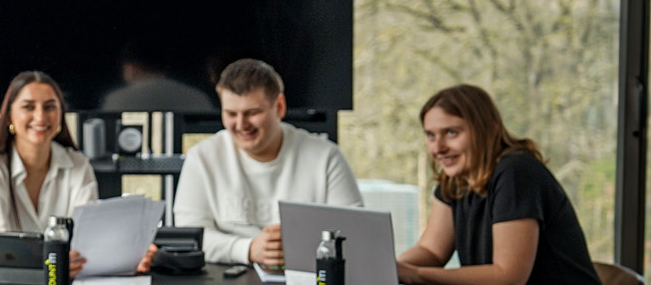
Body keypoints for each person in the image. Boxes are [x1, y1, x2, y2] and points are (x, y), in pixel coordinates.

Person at [396, 85, 600, 285]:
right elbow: (431, 251)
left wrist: (415, 274)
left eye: (451, 133)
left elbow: (508, 277)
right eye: (431, 135)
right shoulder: (455, 180)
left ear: (488, 131)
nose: (438, 148)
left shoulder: (516, 172)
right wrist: (390, 267)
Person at [173, 59, 363, 268]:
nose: (241, 124)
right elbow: (189, 236)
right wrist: (249, 249)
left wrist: (294, 248)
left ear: (279, 107)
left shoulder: (326, 157)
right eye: (231, 114)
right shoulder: (202, 157)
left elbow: (355, 234)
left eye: (252, 113)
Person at [0, 71, 152, 276]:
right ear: (9, 115)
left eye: (50, 107)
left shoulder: (78, 165)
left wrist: (128, 254)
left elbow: (89, 239)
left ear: (61, 114)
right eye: (28, 107)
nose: (40, 116)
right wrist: (53, 260)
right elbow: (1, 253)